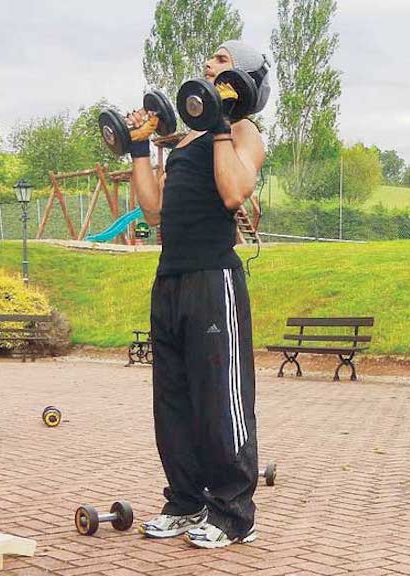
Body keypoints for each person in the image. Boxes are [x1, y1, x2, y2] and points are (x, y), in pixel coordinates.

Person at [128, 40, 270, 549]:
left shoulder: (243, 132)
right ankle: (186, 502)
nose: (210, 65)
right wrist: (140, 146)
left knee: (220, 400)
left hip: (215, 280)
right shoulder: (186, 140)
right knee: (173, 401)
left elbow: (234, 193)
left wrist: (217, 125)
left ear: (244, 82)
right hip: (170, 280)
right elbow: (153, 211)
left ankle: (234, 513)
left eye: (222, 61)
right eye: (211, 59)